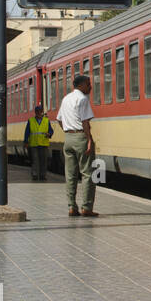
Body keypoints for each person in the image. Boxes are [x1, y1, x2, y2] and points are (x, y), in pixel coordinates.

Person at [58, 74, 98, 217]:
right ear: (81, 85)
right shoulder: (82, 99)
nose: (90, 87)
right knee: (87, 173)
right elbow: (85, 122)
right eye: (88, 84)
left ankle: (71, 207)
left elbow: (59, 120)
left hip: (68, 137)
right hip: (80, 136)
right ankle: (86, 207)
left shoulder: (65, 99)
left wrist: (68, 131)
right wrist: (89, 140)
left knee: (70, 175)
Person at [24, 103, 54, 181]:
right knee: (35, 160)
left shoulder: (46, 121)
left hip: (44, 143)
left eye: (40, 111)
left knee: (44, 160)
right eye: (37, 111)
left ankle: (43, 175)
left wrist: (49, 134)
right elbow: (27, 132)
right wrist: (26, 142)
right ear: (35, 112)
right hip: (34, 144)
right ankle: (35, 174)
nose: (39, 113)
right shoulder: (31, 121)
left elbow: (51, 130)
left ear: (42, 112)